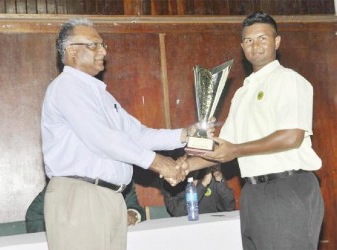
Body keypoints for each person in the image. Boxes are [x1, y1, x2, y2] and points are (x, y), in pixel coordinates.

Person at [41, 18, 212, 250]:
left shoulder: (102, 96)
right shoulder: (67, 87)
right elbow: (103, 139)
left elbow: (137, 134)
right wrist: (161, 164)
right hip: (81, 198)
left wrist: (184, 135)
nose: (103, 51)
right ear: (71, 51)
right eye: (94, 45)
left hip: (111, 199)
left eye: (103, 45)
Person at [182, 11, 324, 250]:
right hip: (253, 194)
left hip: (287, 189)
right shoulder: (242, 92)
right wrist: (184, 165)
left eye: (262, 38)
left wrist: (236, 150)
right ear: (241, 46)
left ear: (277, 42)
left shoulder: (289, 80)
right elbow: (224, 145)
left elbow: (292, 136)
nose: (255, 46)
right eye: (248, 40)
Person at [25, 181, 145, 233]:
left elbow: (136, 209)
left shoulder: (121, 178)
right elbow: (35, 214)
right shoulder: (64, 180)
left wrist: (132, 214)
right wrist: (50, 238)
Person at [162, 164, 235, 216]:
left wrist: (219, 179)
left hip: (210, 226)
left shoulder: (210, 176)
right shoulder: (172, 181)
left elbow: (229, 207)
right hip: (186, 229)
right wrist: (203, 185)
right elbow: (177, 211)